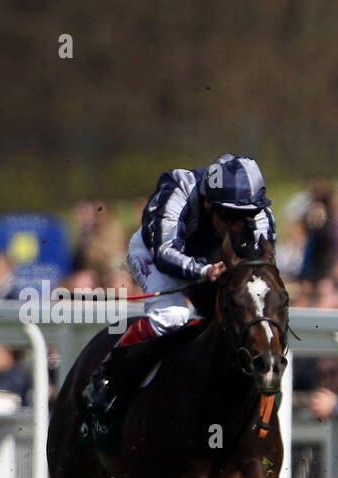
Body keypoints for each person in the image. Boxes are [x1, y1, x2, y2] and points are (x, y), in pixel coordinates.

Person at [84, 153, 275, 415]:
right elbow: (164, 252)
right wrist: (204, 270)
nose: (240, 225)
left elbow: (261, 269)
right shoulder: (180, 188)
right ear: (208, 204)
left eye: (248, 215)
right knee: (173, 316)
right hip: (154, 252)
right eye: (231, 216)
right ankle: (107, 377)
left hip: (213, 261)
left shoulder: (260, 214)